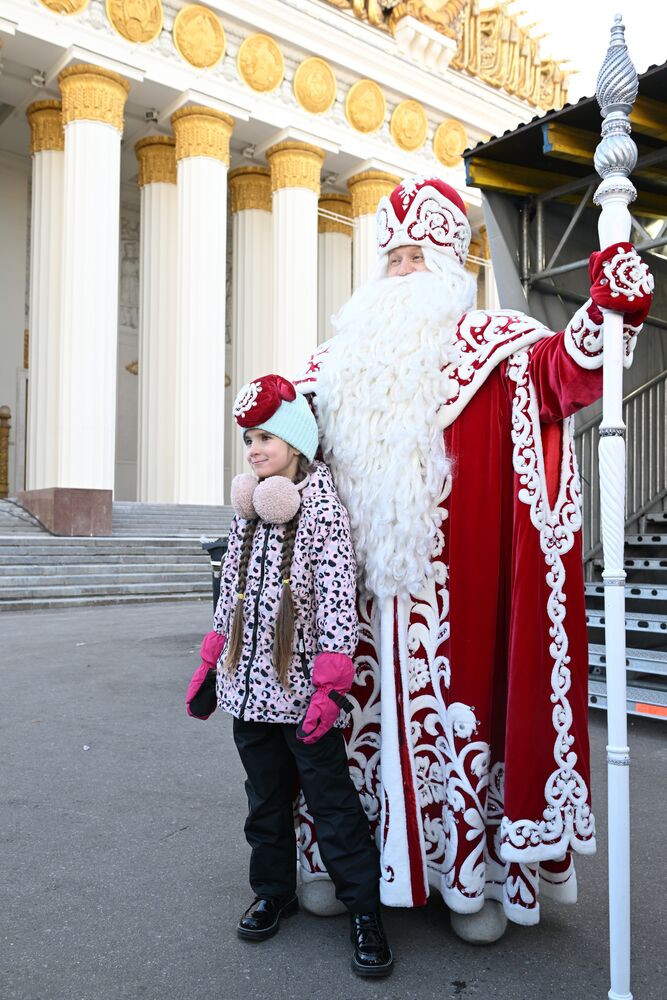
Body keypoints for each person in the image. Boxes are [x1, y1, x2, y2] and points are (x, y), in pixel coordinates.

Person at [292, 175, 654, 942]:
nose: (399, 271)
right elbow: (279, 440)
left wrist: (607, 309)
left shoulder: (500, 347)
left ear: (453, 265)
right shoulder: (334, 362)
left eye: (417, 256)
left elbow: (566, 376)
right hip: (348, 606)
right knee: (342, 726)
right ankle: (336, 862)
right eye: (391, 257)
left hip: (459, 603)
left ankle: (469, 881)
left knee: (460, 725)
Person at [206, 373, 393, 977]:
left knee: (332, 804)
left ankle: (364, 911)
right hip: (245, 688)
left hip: (301, 694)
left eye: (265, 437)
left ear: (295, 443)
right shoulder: (248, 507)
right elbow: (229, 590)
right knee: (263, 801)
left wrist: (330, 685)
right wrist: (211, 659)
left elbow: (337, 599)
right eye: (248, 439)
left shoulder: (318, 509)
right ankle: (273, 892)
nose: (254, 449)